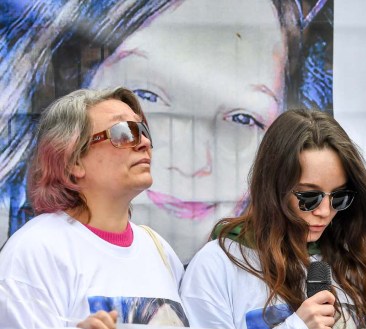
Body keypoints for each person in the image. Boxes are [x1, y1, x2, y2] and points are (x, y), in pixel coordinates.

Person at [0, 0, 333, 262]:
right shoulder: (39, 249)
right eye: (148, 97)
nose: (193, 162)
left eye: (244, 118)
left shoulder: (158, 256)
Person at [179, 109, 366, 329]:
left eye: (339, 197)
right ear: (273, 188)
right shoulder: (218, 264)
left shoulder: (358, 261)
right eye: (309, 197)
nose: (324, 211)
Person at [0, 87, 188, 329]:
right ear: (73, 161)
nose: (143, 143)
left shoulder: (159, 249)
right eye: (123, 133)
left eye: (143, 131)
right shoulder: (35, 251)